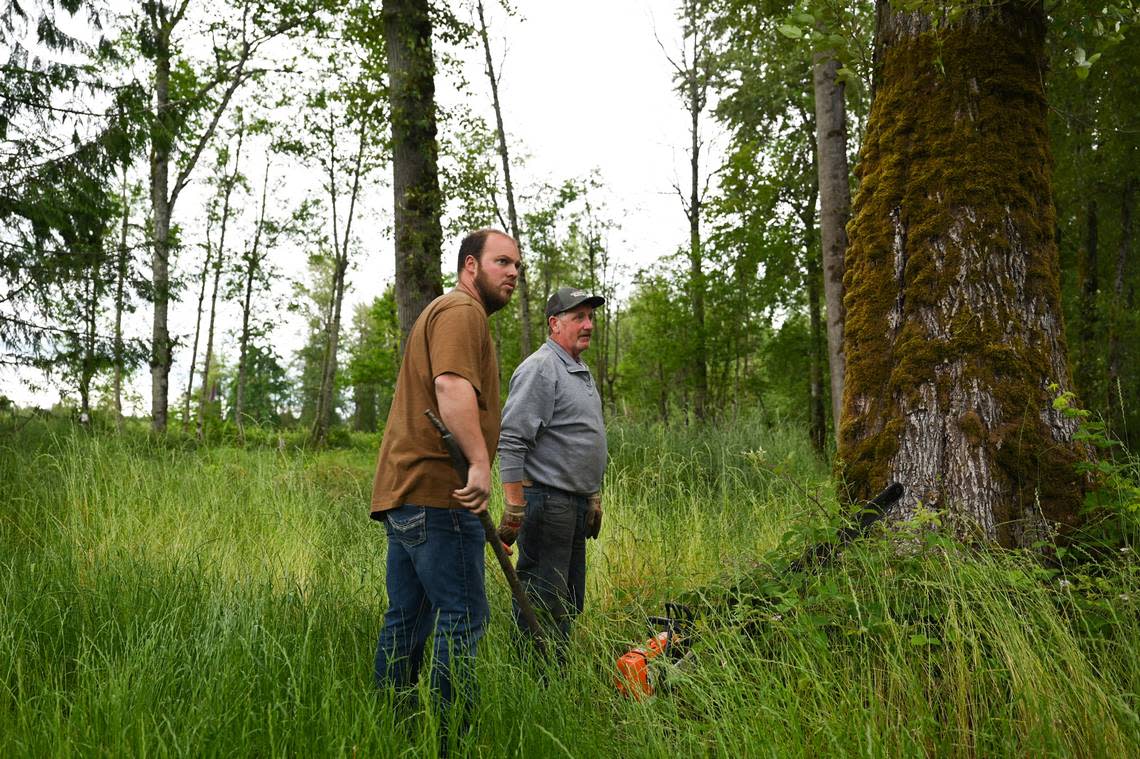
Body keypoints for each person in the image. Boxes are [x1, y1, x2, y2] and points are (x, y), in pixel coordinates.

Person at [371, 228, 521, 721]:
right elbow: (451, 385)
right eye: (503, 262)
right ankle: (451, 739)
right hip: (439, 494)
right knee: (465, 617)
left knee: (407, 619)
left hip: (409, 494)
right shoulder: (461, 311)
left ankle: (392, 728)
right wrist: (480, 464)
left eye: (517, 266)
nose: (514, 273)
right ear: (471, 266)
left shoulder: (444, 311)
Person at [496, 286, 607, 646]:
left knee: (569, 599)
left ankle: (556, 673)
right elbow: (512, 440)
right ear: (554, 324)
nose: (588, 324)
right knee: (544, 597)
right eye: (579, 317)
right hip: (548, 502)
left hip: (573, 504)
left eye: (590, 317)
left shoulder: (578, 369)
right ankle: (536, 677)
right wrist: (514, 508)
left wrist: (592, 495)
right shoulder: (541, 368)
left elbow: (576, 439)